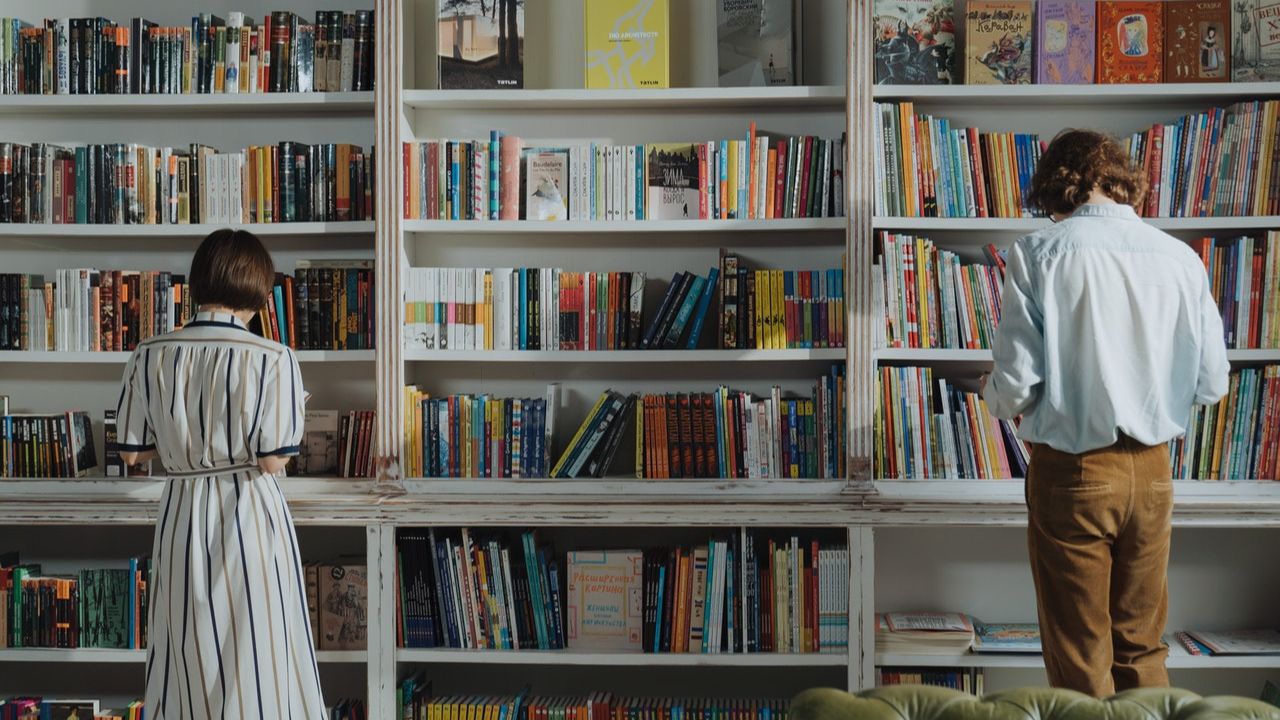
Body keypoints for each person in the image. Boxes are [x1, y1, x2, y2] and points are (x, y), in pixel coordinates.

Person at [981, 129, 1229, 697]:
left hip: (1074, 471)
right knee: (1142, 643)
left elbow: (1016, 386)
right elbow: (1213, 382)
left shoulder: (1038, 253)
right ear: (1121, 181)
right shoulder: (1180, 258)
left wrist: (991, 394)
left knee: (1079, 651)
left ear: (1054, 188)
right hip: (1153, 473)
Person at [116, 229, 324, 718]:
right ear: (257, 286)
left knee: (183, 652)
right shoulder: (273, 357)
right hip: (247, 509)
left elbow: (132, 454)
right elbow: (274, 458)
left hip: (181, 514)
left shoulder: (148, 353)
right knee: (258, 654)